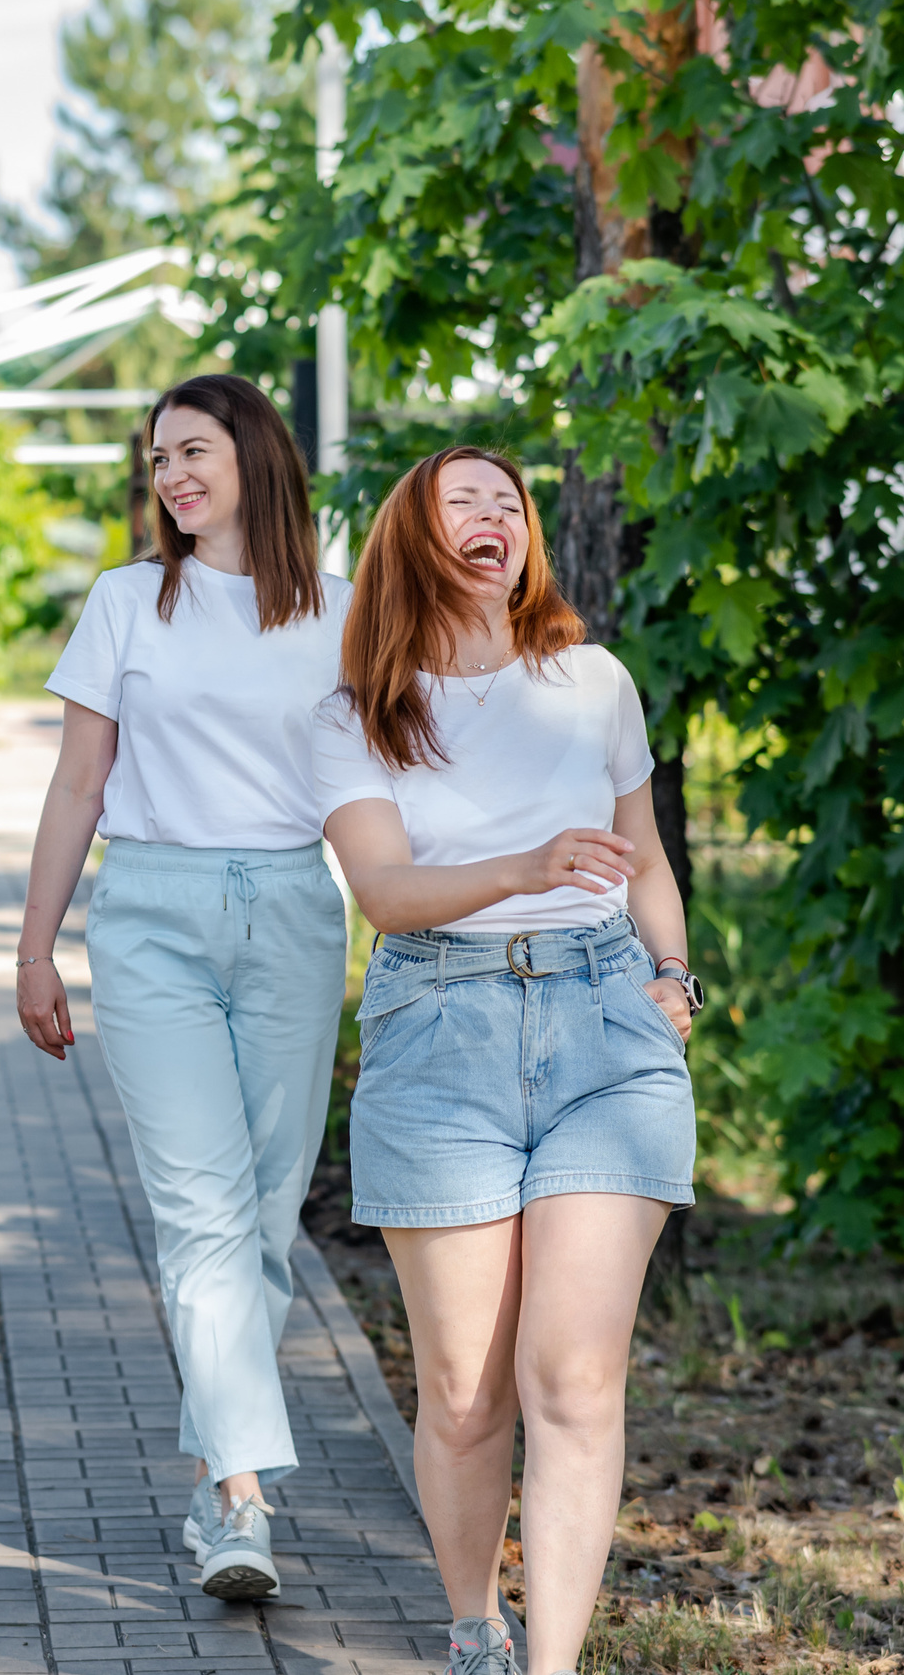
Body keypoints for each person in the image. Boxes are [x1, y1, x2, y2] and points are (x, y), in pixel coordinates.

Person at [313, 445, 698, 1675]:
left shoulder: (592, 681)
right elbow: (385, 891)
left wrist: (674, 974)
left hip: (605, 1028)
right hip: (439, 1032)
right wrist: (524, 867)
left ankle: (554, 1662)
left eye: (508, 502)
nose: (495, 517)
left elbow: (644, 856)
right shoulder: (357, 713)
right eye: (461, 502)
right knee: (466, 1388)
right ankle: (476, 1623)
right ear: (413, 541)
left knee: (572, 1377)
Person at [13, 373, 353, 1600]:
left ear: (255, 454)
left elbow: (394, 775)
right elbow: (76, 783)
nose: (171, 476)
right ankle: (241, 1497)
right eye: (158, 458)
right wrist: (33, 945)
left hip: (295, 912)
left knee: (264, 1216)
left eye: (193, 450)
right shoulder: (126, 600)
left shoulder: (344, 612)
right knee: (201, 1211)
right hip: (152, 914)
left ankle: (216, 1469)